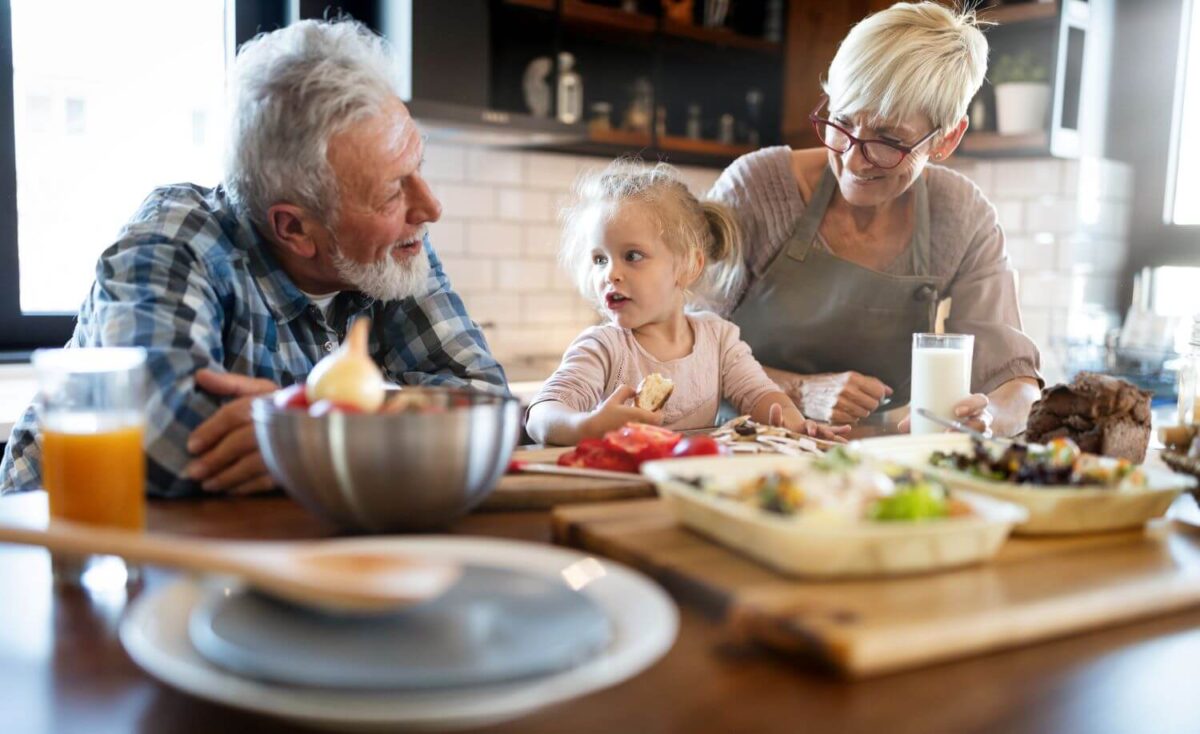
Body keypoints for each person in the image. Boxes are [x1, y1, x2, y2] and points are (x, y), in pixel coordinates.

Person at [0, 19, 507, 498]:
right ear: (294, 227)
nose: (430, 208)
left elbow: (486, 401)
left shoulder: (393, 246)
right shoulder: (177, 237)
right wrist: (377, 423)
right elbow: (166, 438)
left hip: (237, 544)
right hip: (59, 548)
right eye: (391, 192)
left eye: (418, 167)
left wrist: (306, 431)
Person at [708, 2, 1042, 437]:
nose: (852, 159)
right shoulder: (758, 188)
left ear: (946, 139)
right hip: (737, 448)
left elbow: (1014, 383)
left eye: (888, 140)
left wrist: (990, 419)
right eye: (842, 122)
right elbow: (670, 351)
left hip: (877, 459)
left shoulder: (960, 215)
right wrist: (800, 391)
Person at [525, 160, 849, 446]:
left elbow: (760, 394)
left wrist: (796, 424)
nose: (610, 274)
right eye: (599, 259)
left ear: (688, 266)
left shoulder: (719, 340)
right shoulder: (603, 347)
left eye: (632, 256)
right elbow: (541, 416)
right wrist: (587, 426)